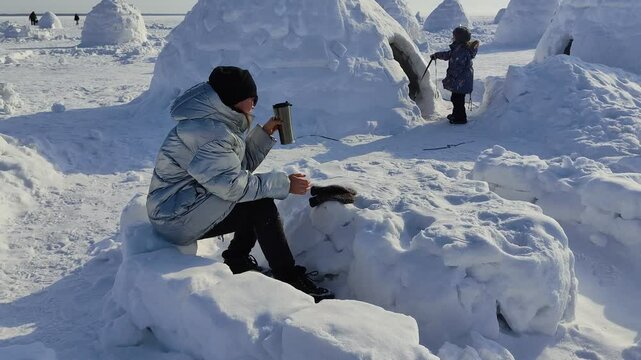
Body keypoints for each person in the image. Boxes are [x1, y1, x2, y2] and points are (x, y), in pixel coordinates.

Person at [146, 66, 334, 302]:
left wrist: (264, 134)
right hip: (174, 217)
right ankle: (287, 278)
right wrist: (284, 184)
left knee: (253, 196)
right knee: (259, 204)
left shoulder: (213, 124)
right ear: (233, 98)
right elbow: (233, 186)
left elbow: (231, 171)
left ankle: (237, 260)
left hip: (181, 204)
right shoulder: (211, 133)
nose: (255, 103)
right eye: (252, 98)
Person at [430, 26, 479, 125]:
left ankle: (460, 118)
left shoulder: (461, 51)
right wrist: (437, 55)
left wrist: (450, 78)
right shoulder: (459, 48)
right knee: (456, 98)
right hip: (462, 80)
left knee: (458, 99)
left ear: (458, 38)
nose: (453, 38)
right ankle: (456, 115)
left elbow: (458, 67)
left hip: (461, 80)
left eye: (454, 36)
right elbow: (448, 54)